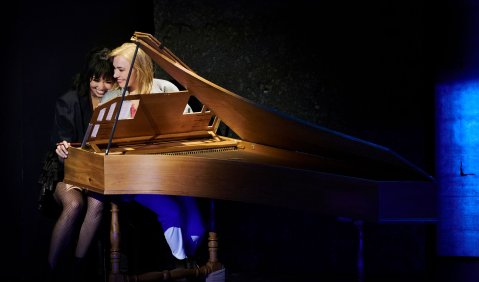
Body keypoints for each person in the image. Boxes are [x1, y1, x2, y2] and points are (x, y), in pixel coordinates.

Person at [101, 42, 206, 267]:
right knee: (172, 212)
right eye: (115, 69)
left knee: (197, 225)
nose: (114, 75)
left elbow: (185, 126)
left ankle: (189, 260)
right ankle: (182, 266)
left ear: (138, 68)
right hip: (133, 179)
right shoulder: (111, 99)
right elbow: (102, 142)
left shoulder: (164, 88)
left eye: (120, 69)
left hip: (170, 173)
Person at [43, 46, 116, 281]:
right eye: (96, 79)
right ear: (88, 77)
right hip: (65, 172)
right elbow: (60, 150)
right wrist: (66, 154)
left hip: (98, 174)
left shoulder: (118, 104)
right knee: (74, 205)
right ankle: (50, 272)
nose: (101, 86)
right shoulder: (70, 101)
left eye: (107, 80)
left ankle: (77, 270)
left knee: (97, 204)